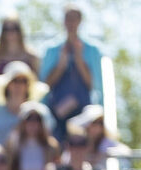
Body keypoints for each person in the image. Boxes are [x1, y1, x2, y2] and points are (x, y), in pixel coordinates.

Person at [37, 5, 99, 138]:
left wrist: (78, 58)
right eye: (68, 18)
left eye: (75, 18)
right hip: (56, 112)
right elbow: (44, 85)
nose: (71, 22)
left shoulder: (92, 49)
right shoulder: (51, 49)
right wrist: (61, 65)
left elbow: (92, 84)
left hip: (83, 111)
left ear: (80, 21)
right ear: (63, 21)